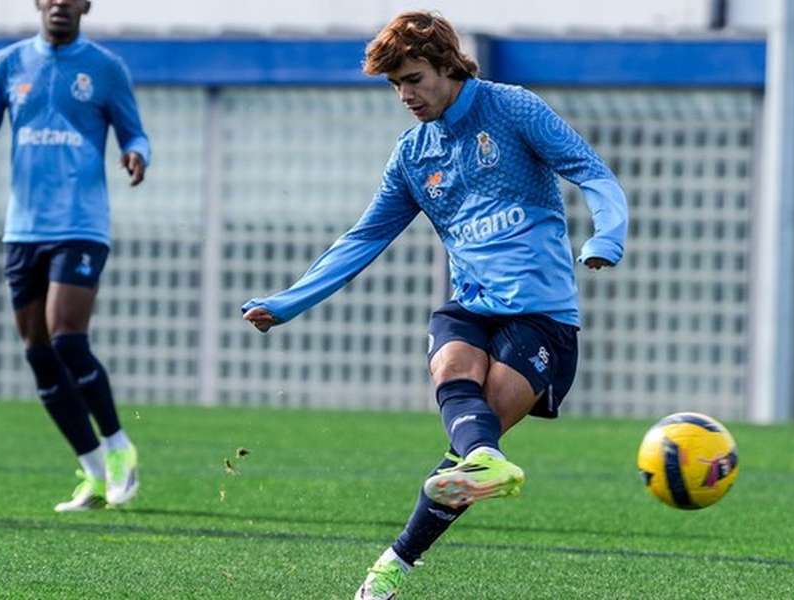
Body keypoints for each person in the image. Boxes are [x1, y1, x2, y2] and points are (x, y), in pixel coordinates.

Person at [242, 11, 627, 599]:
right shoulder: (414, 155)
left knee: (468, 451)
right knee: (452, 372)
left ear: (448, 66)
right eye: (396, 84)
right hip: (470, 305)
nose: (405, 95)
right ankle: (480, 464)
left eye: (414, 78)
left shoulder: (511, 108)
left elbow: (591, 172)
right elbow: (365, 236)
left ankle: (396, 560)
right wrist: (288, 302)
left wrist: (606, 237)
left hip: (542, 316)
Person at [0, 0, 149, 512]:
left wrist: (136, 153)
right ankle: (94, 471)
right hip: (23, 229)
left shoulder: (104, 68)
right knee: (38, 352)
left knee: (67, 340)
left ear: (85, 6)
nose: (59, 4)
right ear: (39, 3)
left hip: (80, 224)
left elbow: (135, 131)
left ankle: (121, 447)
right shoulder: (9, 64)